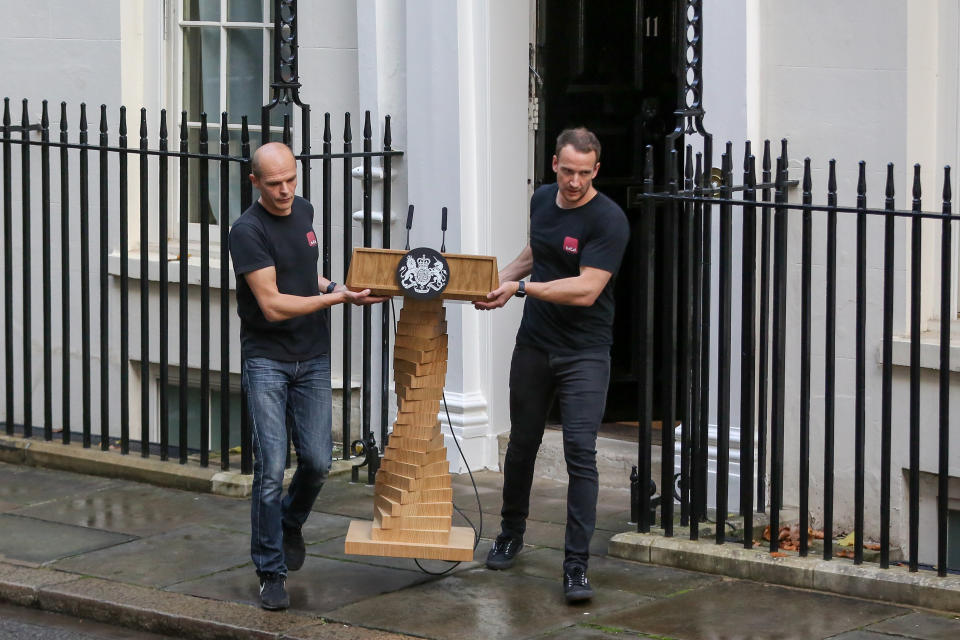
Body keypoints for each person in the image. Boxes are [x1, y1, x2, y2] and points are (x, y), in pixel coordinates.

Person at [475, 127, 629, 603]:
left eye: (584, 173)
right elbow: (536, 253)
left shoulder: (609, 220)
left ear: (596, 171)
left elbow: (586, 289)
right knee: (521, 443)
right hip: (535, 345)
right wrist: (493, 279)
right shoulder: (542, 199)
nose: (574, 182)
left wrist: (521, 290)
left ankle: (576, 566)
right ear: (554, 166)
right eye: (567, 171)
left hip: (584, 352)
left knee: (580, 454)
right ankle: (510, 533)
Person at [229, 142, 384, 610]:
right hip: (268, 359)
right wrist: (338, 302)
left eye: (291, 180)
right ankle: (270, 570)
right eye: (274, 183)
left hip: (312, 356)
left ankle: (289, 521)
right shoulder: (246, 231)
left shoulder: (304, 211)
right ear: (254, 182)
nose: (285, 191)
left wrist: (340, 288)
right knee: (271, 468)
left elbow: (303, 275)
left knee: (317, 461)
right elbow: (273, 303)